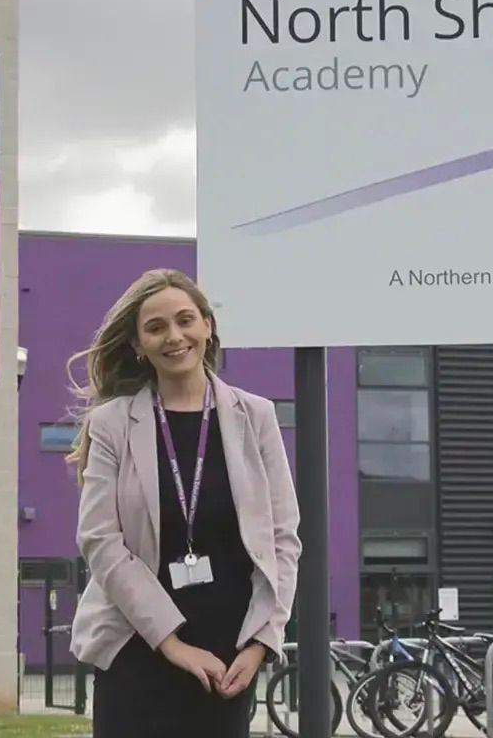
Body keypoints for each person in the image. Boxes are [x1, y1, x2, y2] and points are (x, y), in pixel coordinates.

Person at [66, 269, 301, 736]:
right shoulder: (112, 424)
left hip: (227, 656)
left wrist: (261, 643)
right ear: (138, 344)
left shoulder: (256, 416)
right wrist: (172, 644)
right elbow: (100, 542)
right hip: (135, 646)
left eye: (185, 320)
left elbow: (283, 541)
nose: (174, 336)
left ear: (207, 326)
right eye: (156, 327)